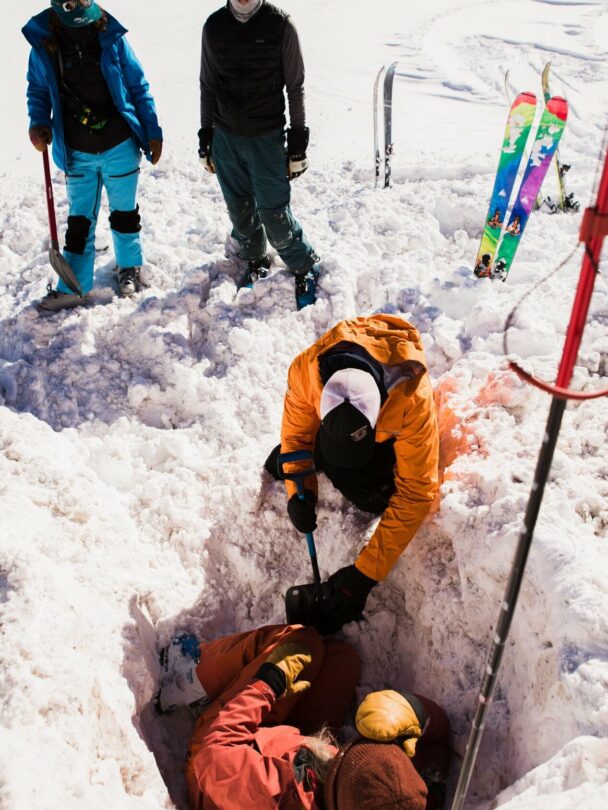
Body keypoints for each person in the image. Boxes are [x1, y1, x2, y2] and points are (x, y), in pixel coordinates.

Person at [266, 314, 439, 634]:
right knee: (296, 457)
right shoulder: (307, 371)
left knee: (378, 498)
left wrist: (363, 576)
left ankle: (341, 455)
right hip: (340, 409)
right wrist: (299, 493)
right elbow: (295, 440)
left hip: (387, 421)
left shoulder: (411, 399)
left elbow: (416, 492)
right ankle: (325, 454)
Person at [161, 623, 450, 809]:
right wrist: (416, 712)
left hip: (224, 757)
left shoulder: (271, 793)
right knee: (341, 660)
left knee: (301, 642)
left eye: (341, 759)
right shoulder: (402, 799)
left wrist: (268, 682)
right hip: (291, 747)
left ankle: (186, 676)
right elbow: (439, 744)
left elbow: (212, 754)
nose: (336, 751)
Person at [23, 1, 163, 311]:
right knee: (79, 224)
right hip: (77, 150)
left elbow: (137, 85)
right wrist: (39, 123)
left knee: (125, 214)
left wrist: (152, 130)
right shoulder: (45, 42)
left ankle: (129, 268)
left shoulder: (111, 37)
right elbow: (38, 90)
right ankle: (74, 285)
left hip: (119, 145)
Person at [199, 0, 320, 310]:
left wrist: (297, 141)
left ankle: (304, 264)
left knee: (273, 213)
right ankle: (256, 260)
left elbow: (295, 86)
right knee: (239, 210)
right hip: (226, 136)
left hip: (266, 137)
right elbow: (208, 84)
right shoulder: (213, 27)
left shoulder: (281, 25)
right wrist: (206, 136)